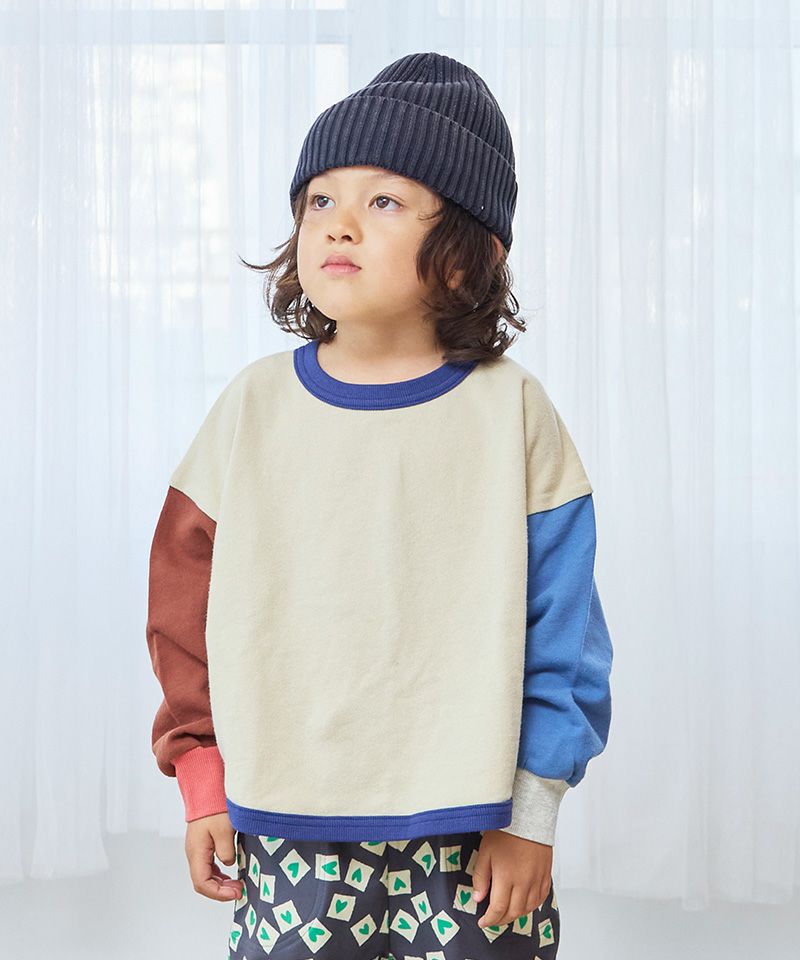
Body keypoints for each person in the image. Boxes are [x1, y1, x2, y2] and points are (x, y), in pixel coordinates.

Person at [146, 50, 613, 960]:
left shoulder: (513, 411)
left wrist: (532, 813)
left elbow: (566, 627)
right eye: (320, 198)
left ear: (471, 252)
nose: (340, 222)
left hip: (474, 825)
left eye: (386, 201)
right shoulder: (251, 408)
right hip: (287, 818)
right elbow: (181, 606)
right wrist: (201, 772)